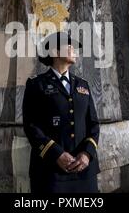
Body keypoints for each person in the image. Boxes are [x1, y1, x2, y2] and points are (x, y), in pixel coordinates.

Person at [22, 31, 100, 193]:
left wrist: (87, 154)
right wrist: (56, 154)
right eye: (69, 47)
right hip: (50, 172)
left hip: (84, 171)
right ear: (55, 52)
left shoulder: (83, 85)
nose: (74, 50)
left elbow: (93, 124)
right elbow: (31, 126)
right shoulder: (36, 84)